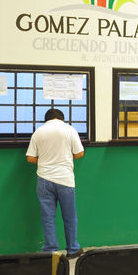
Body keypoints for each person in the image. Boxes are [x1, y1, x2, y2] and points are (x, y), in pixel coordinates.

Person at [26, 108, 85, 258]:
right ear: (62, 119)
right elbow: (79, 153)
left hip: (44, 179)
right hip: (65, 179)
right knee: (70, 217)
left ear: (46, 119)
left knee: (48, 218)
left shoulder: (38, 132)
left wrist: (46, 161)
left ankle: (50, 251)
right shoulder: (70, 130)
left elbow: (30, 158)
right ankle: (73, 249)